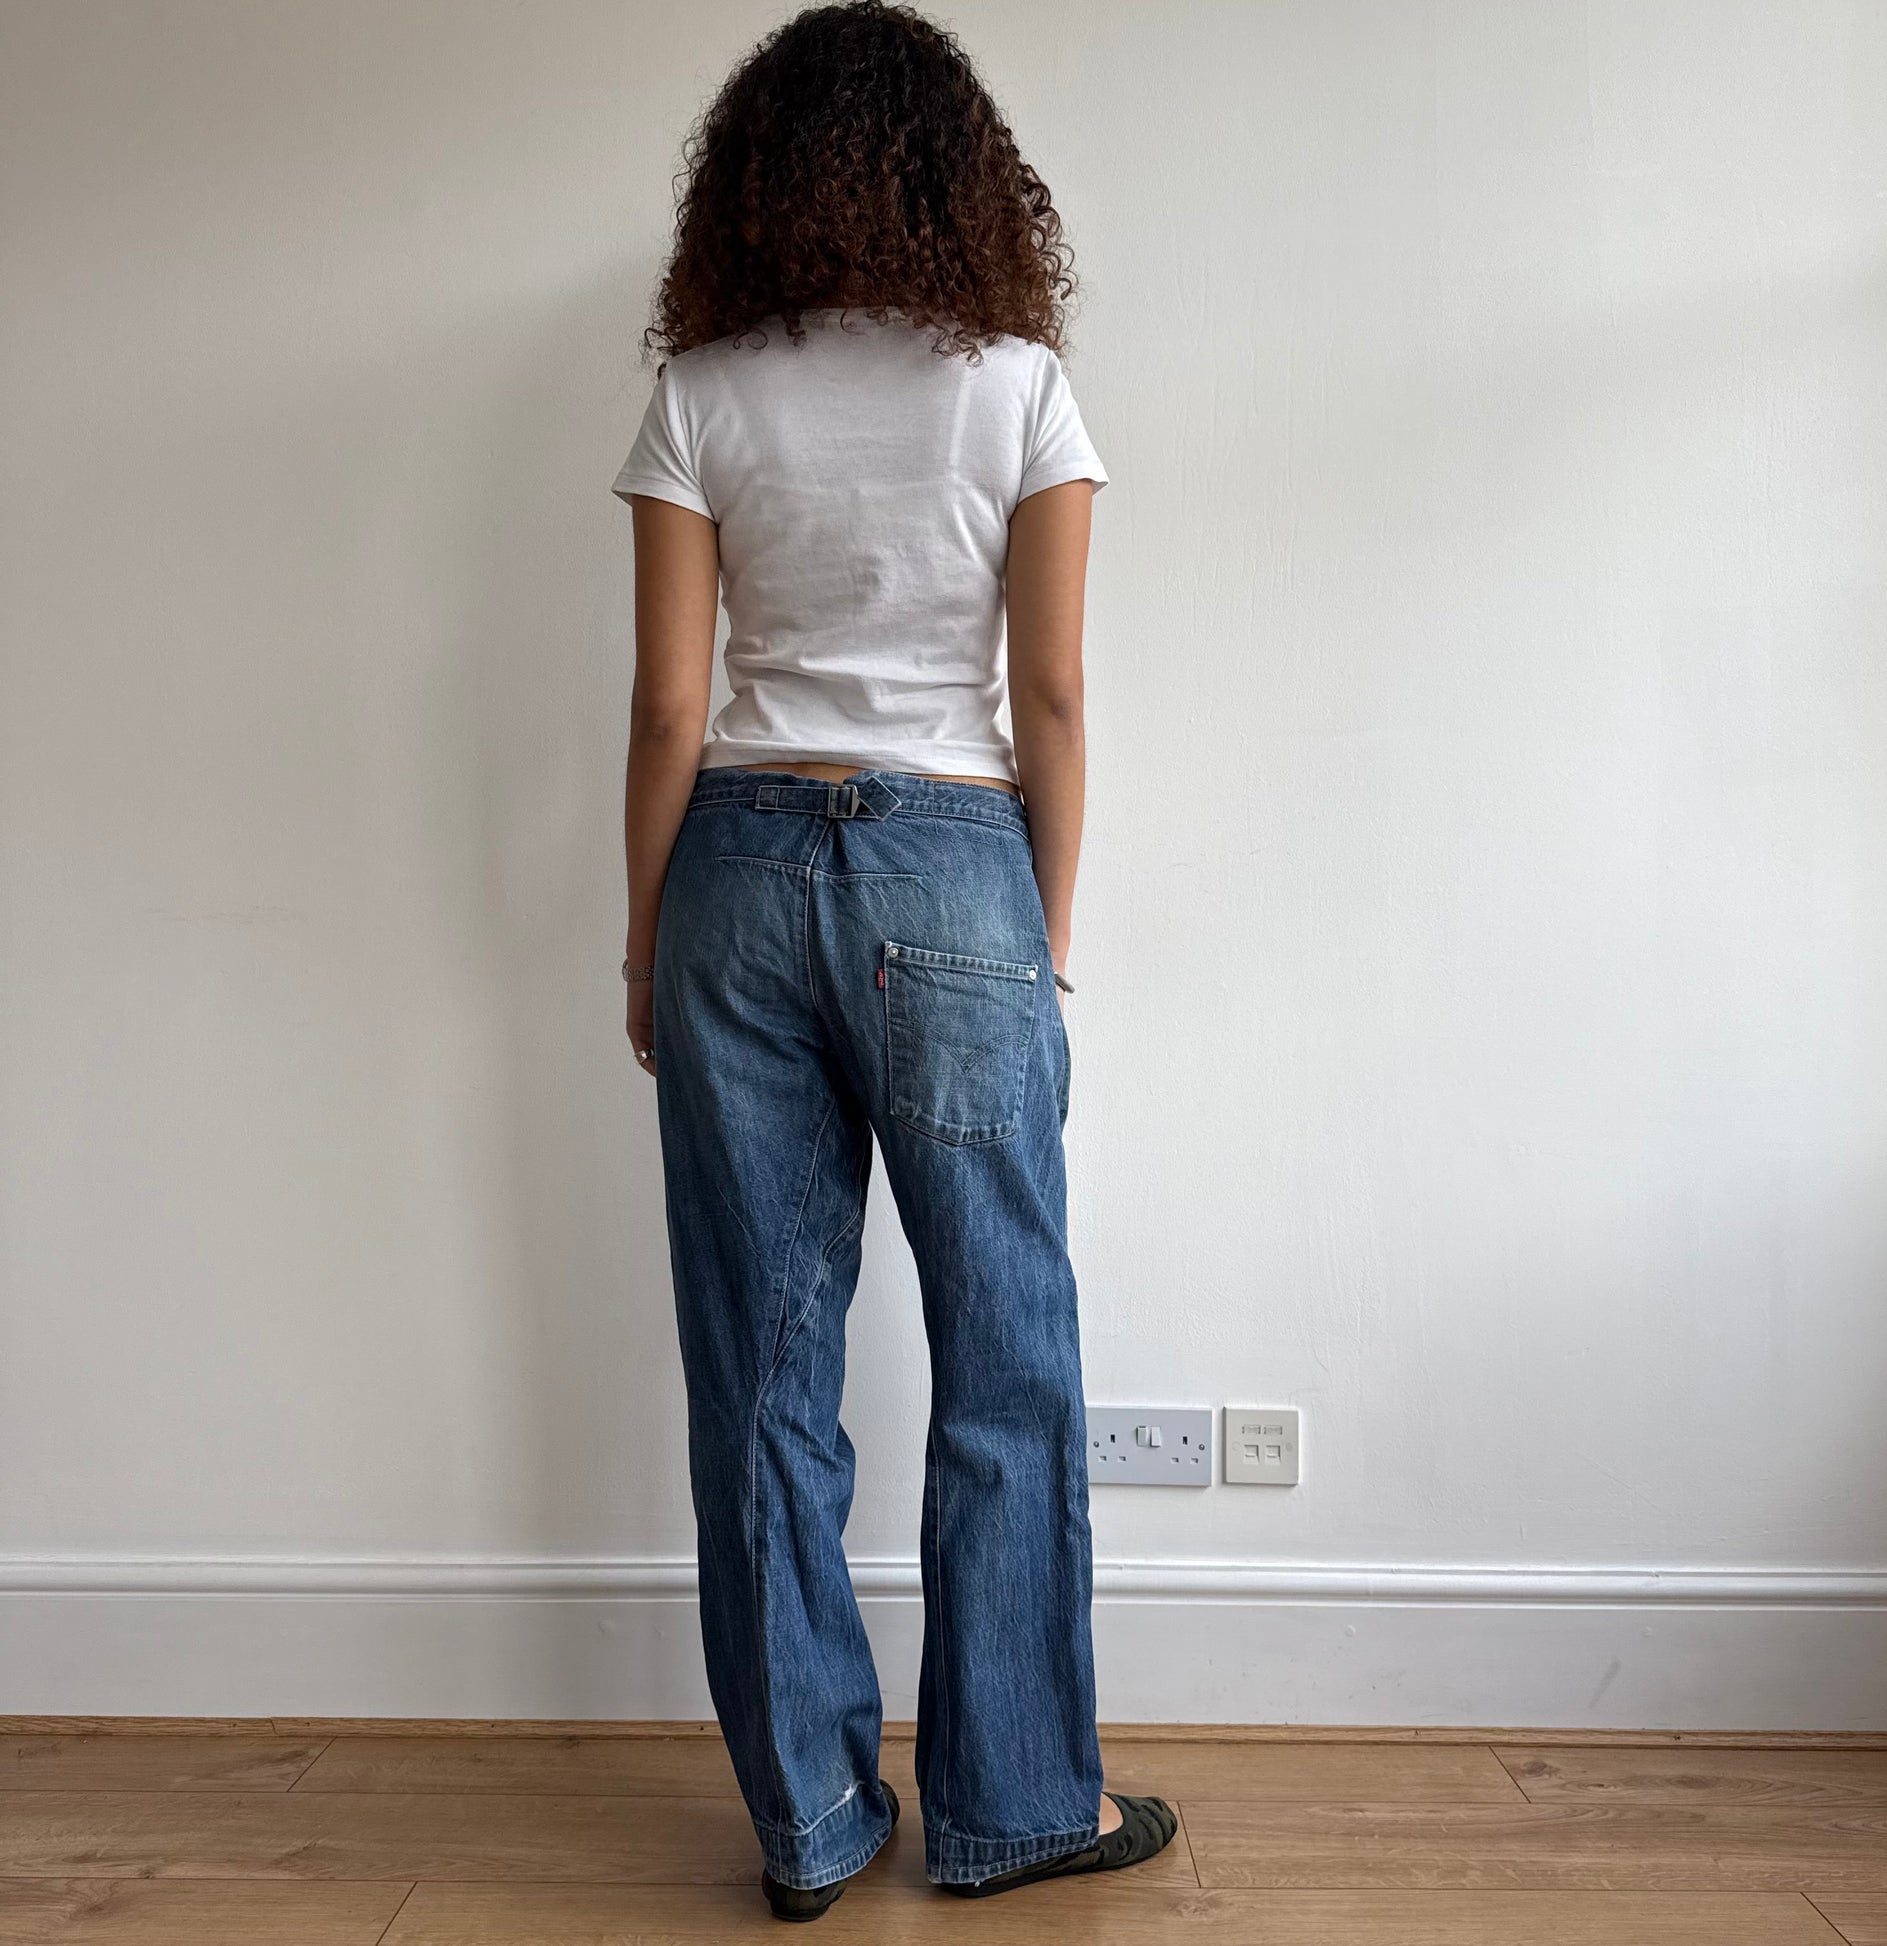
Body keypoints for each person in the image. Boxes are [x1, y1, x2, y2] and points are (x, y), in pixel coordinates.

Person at [610, 1, 1176, 1919]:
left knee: (760, 1366)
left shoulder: (701, 392)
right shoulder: (1019, 385)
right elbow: (1052, 692)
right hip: (954, 870)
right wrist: (1044, 929)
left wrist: (643, 940)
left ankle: (811, 1824)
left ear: (754, 178)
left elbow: (669, 704)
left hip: (734, 871)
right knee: (1004, 1348)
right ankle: (1014, 1807)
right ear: (962, 176)